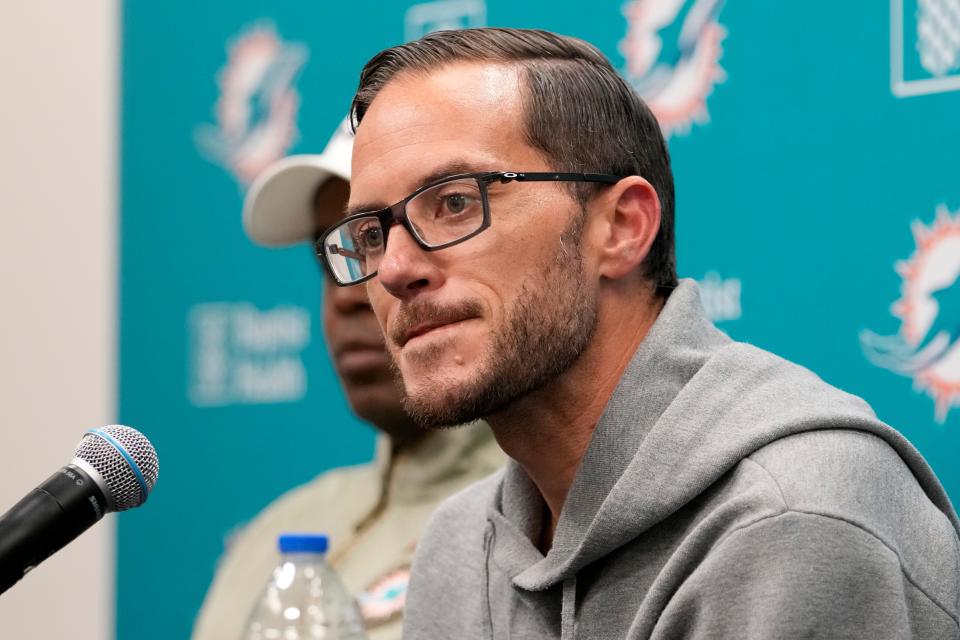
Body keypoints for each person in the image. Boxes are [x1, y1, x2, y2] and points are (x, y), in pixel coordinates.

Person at [314, 27, 960, 639]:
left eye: (455, 201)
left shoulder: (794, 516)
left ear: (622, 227)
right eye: (370, 234)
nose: (394, 270)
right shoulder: (458, 547)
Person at [192, 118, 505, 640]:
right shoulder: (274, 535)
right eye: (333, 256)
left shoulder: (547, 521)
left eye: (377, 241)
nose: (345, 293)